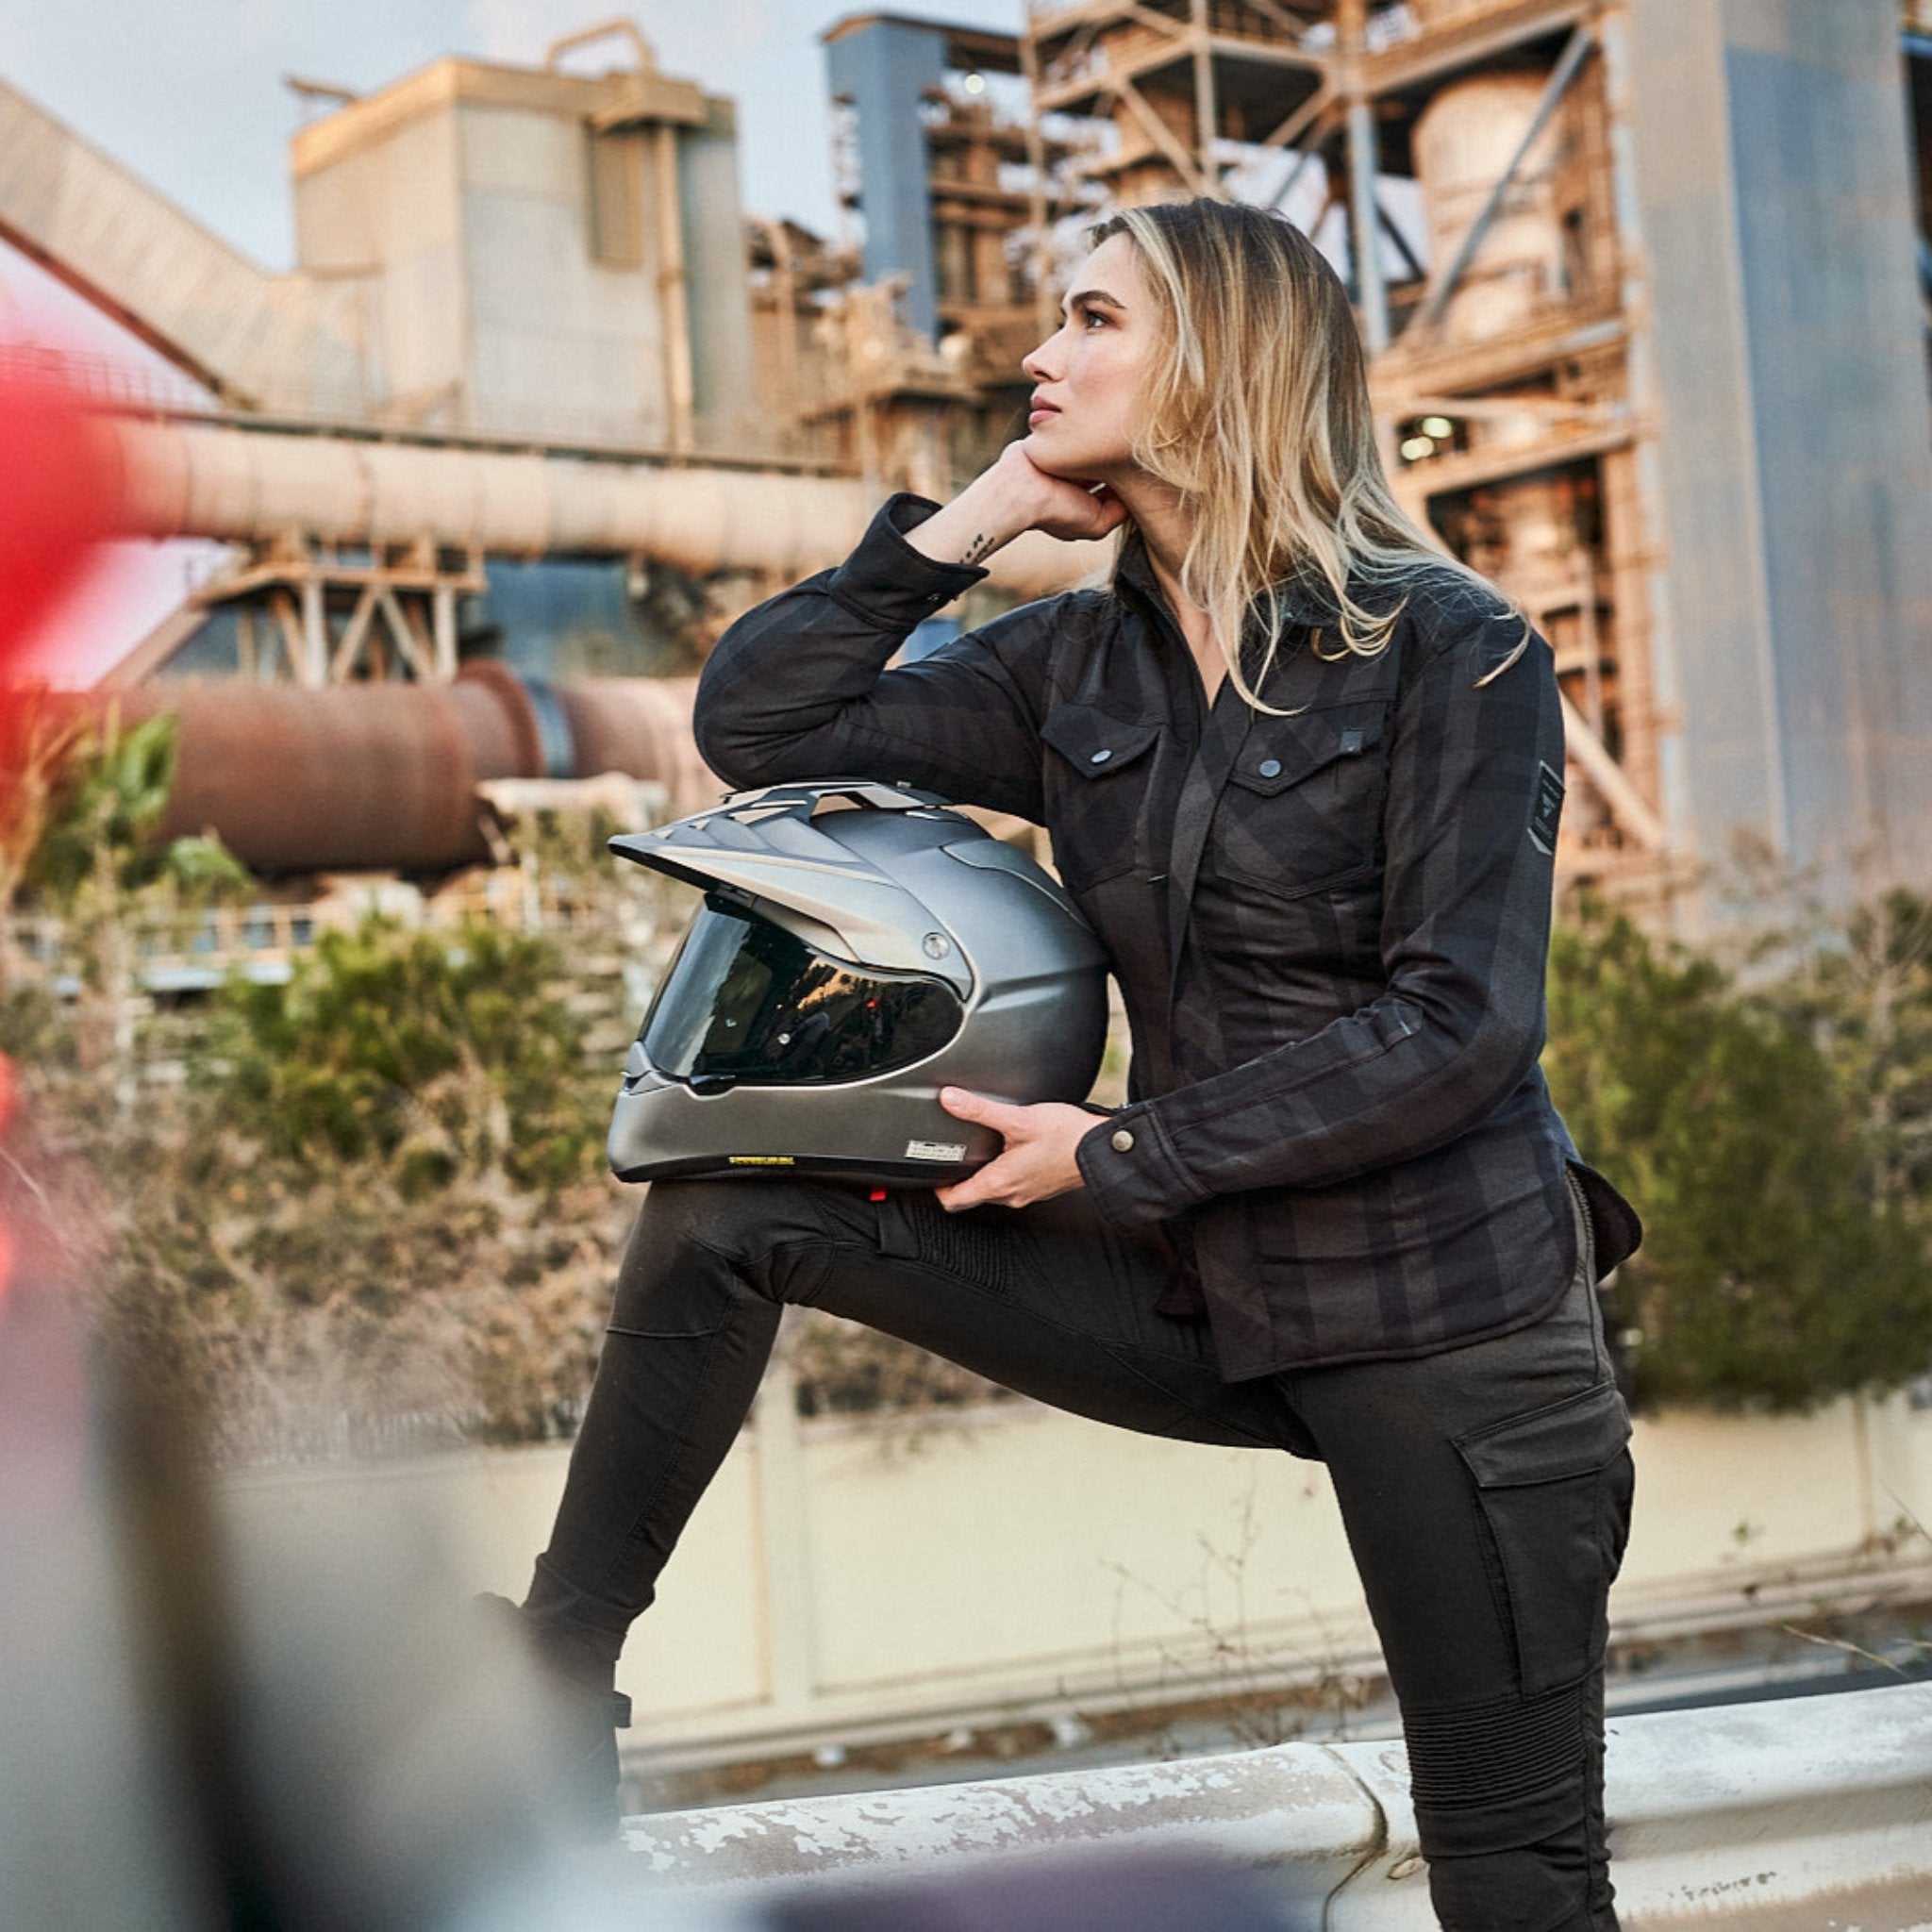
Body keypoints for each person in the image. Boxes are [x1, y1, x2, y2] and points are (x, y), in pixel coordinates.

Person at [495, 199, 1641, 1929]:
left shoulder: (1449, 645)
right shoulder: (1073, 658)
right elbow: (762, 726)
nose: (1041, 354)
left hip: (1446, 1328)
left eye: (1095, 319)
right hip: (1201, 1285)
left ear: (1221, 364)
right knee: (728, 1206)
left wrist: (1114, 1159)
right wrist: (974, 522)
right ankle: (548, 1690)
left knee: (1515, 1878)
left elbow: (1459, 1026)